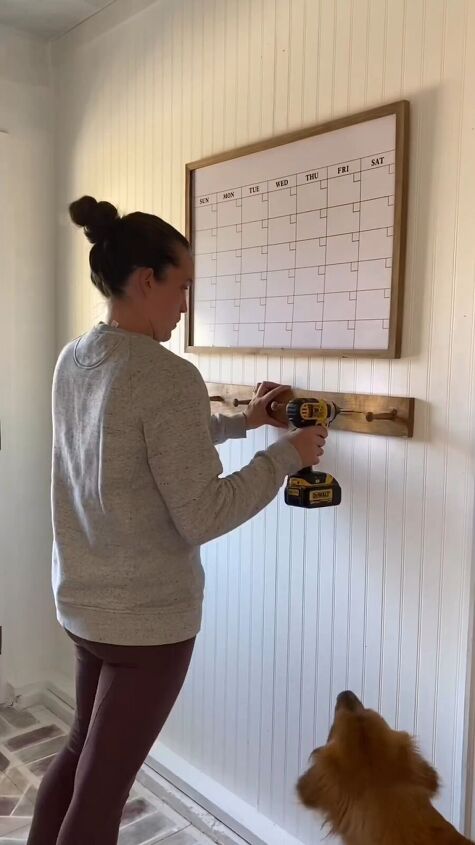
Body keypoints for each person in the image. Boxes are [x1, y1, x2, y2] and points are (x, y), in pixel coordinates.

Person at [27, 196, 327, 845]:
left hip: (85, 605)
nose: (186, 303)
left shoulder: (75, 359)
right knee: (101, 792)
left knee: (81, 757)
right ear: (145, 281)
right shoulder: (166, 375)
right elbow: (201, 512)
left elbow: (144, 442)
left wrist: (245, 423)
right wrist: (285, 456)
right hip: (146, 625)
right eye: (183, 285)